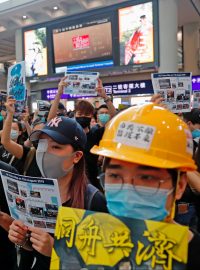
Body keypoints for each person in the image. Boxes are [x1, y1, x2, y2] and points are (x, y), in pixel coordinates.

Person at [90, 103, 200, 269]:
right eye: (114, 175)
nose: (127, 191)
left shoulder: (195, 257)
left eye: (146, 177)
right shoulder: (87, 242)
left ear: (180, 185)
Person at [8, 116, 107, 270]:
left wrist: (57, 251)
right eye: (42, 145)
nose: (45, 153)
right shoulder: (34, 192)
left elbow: (102, 261)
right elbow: (35, 249)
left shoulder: (93, 200)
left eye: (56, 147)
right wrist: (23, 239)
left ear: (77, 156)